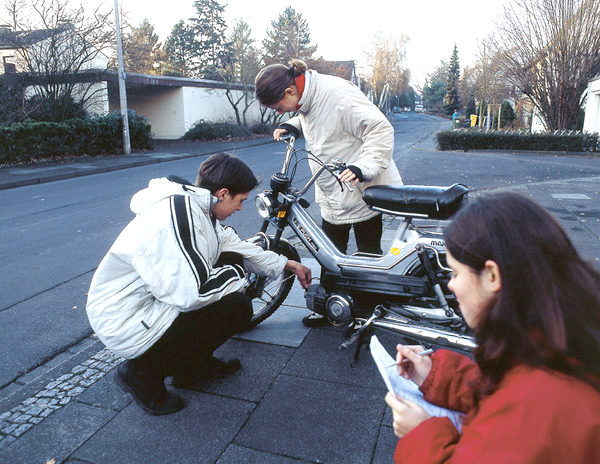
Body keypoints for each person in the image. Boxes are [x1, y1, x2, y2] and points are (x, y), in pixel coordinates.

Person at [86, 153, 312, 416]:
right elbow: (190, 293)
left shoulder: (201, 208)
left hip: (149, 302)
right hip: (125, 318)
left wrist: (287, 264)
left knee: (233, 275)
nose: (240, 208)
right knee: (236, 305)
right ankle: (139, 373)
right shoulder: (177, 216)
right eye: (240, 201)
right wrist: (237, 280)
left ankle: (191, 368)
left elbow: (237, 246)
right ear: (223, 193)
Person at [384, 192, 600, 463]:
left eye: (455, 273)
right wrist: (437, 375)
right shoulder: (558, 339)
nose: (450, 285)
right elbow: (506, 392)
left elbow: (516, 410)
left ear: (493, 276)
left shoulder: (536, 404)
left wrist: (420, 434)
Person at [255, 59, 403, 326]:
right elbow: (313, 117)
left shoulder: (337, 94)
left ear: (289, 91)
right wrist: (294, 125)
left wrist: (364, 166)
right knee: (327, 252)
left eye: (278, 108)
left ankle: (368, 311)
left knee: (367, 253)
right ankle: (327, 307)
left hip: (363, 188)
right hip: (333, 189)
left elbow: (380, 128)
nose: (277, 112)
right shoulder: (307, 94)